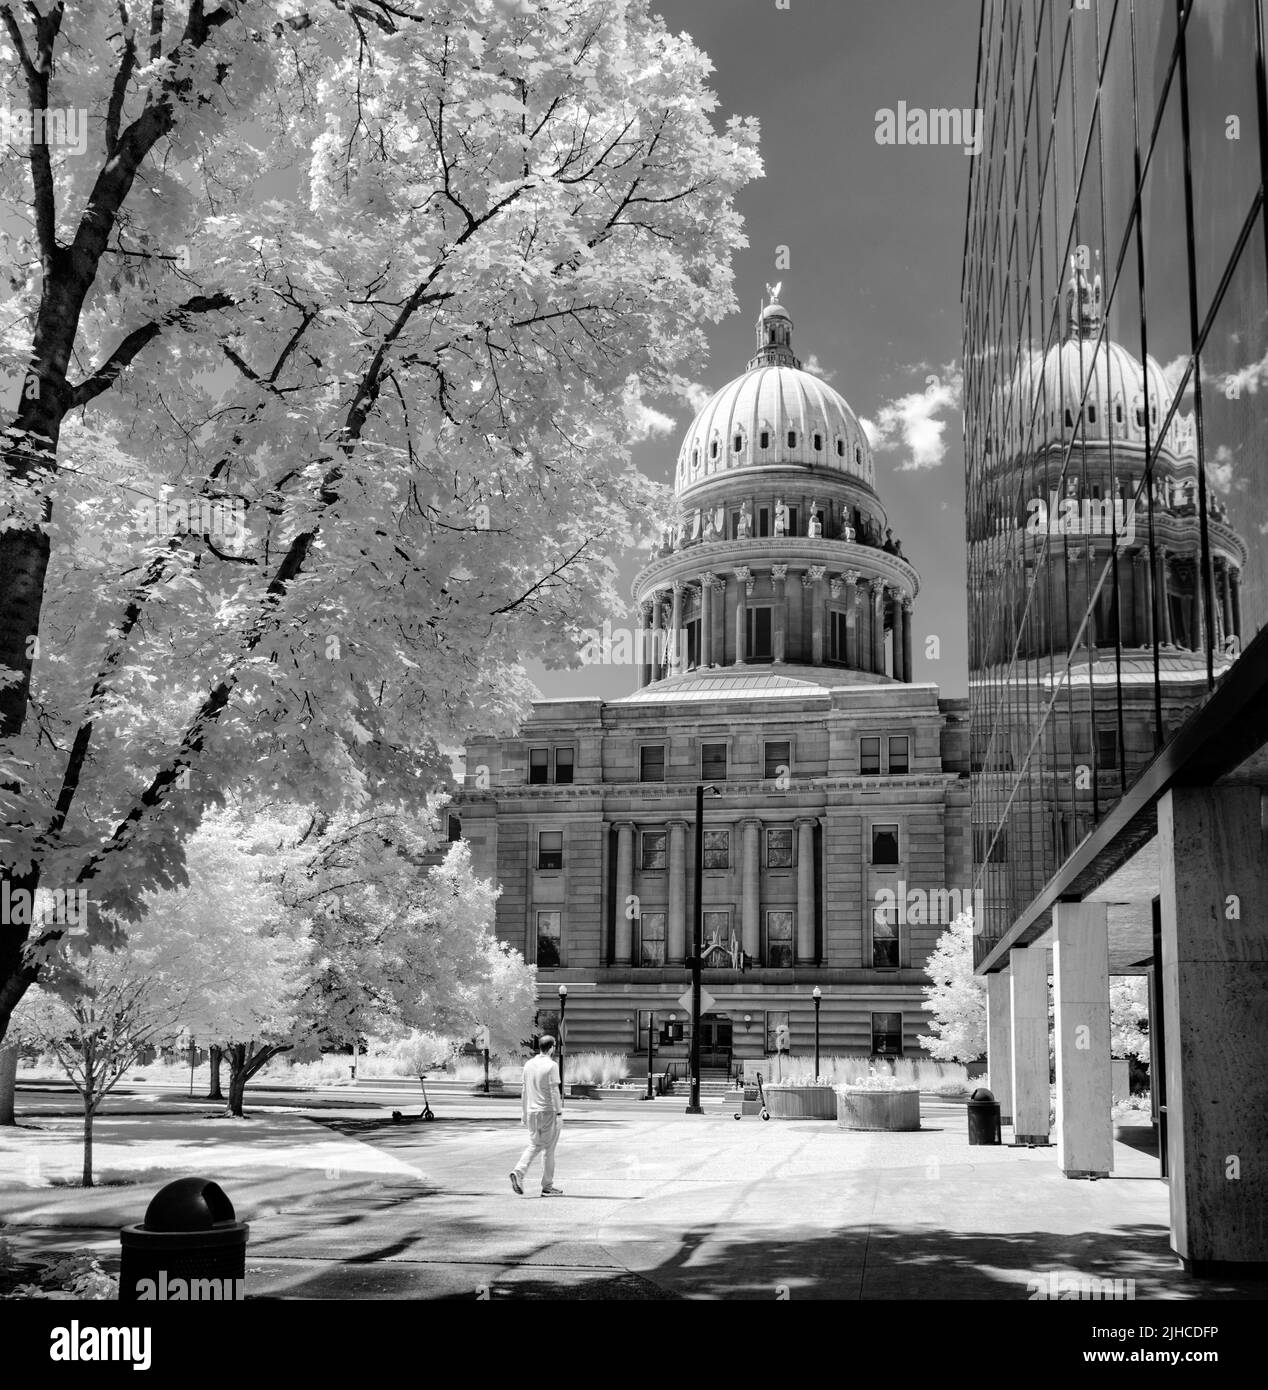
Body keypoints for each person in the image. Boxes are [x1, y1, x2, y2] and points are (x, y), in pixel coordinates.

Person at [510, 1036, 565, 1197]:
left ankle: (547, 1185)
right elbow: (555, 1091)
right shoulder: (552, 1065)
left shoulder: (528, 1065)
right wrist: (559, 1112)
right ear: (552, 1047)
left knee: (538, 1145)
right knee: (544, 1148)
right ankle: (521, 1173)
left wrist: (524, 1113)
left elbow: (524, 1090)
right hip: (548, 1112)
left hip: (532, 1111)